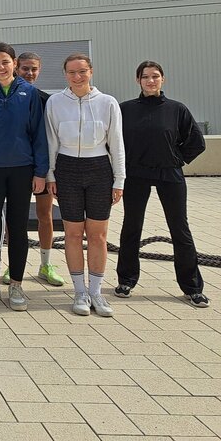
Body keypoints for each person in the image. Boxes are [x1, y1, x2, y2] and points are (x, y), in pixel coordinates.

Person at [116, 61, 208, 308]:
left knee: (180, 229)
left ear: (162, 79)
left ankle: (192, 287)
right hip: (136, 174)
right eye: (145, 77)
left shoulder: (177, 109)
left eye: (155, 76)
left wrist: (178, 159)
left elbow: (197, 142)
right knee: (132, 227)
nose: (150, 80)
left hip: (170, 174)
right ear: (138, 80)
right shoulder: (125, 109)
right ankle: (126, 280)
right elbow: (113, 142)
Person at [0, 43, 48, 312]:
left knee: (18, 228)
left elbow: (39, 135)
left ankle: (16, 284)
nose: (0, 67)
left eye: (5, 62)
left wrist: (40, 172)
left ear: (14, 63)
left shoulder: (29, 93)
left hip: (21, 170)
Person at [45, 53, 125, 317]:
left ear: (91, 71)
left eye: (82, 71)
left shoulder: (108, 102)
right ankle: (79, 290)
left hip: (100, 169)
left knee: (98, 235)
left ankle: (96, 292)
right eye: (71, 72)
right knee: (73, 233)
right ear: (65, 74)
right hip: (67, 169)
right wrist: (51, 175)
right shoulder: (55, 102)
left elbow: (116, 143)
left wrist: (119, 179)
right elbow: (51, 141)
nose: (77, 77)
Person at [16, 51, 65, 287]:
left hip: (42, 167)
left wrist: (48, 170)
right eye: (25, 68)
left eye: (34, 69)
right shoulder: (12, 97)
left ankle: (45, 264)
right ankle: (14, 266)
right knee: (16, 219)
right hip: (17, 166)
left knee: (45, 215)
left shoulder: (48, 100)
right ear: (16, 68)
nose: (29, 73)